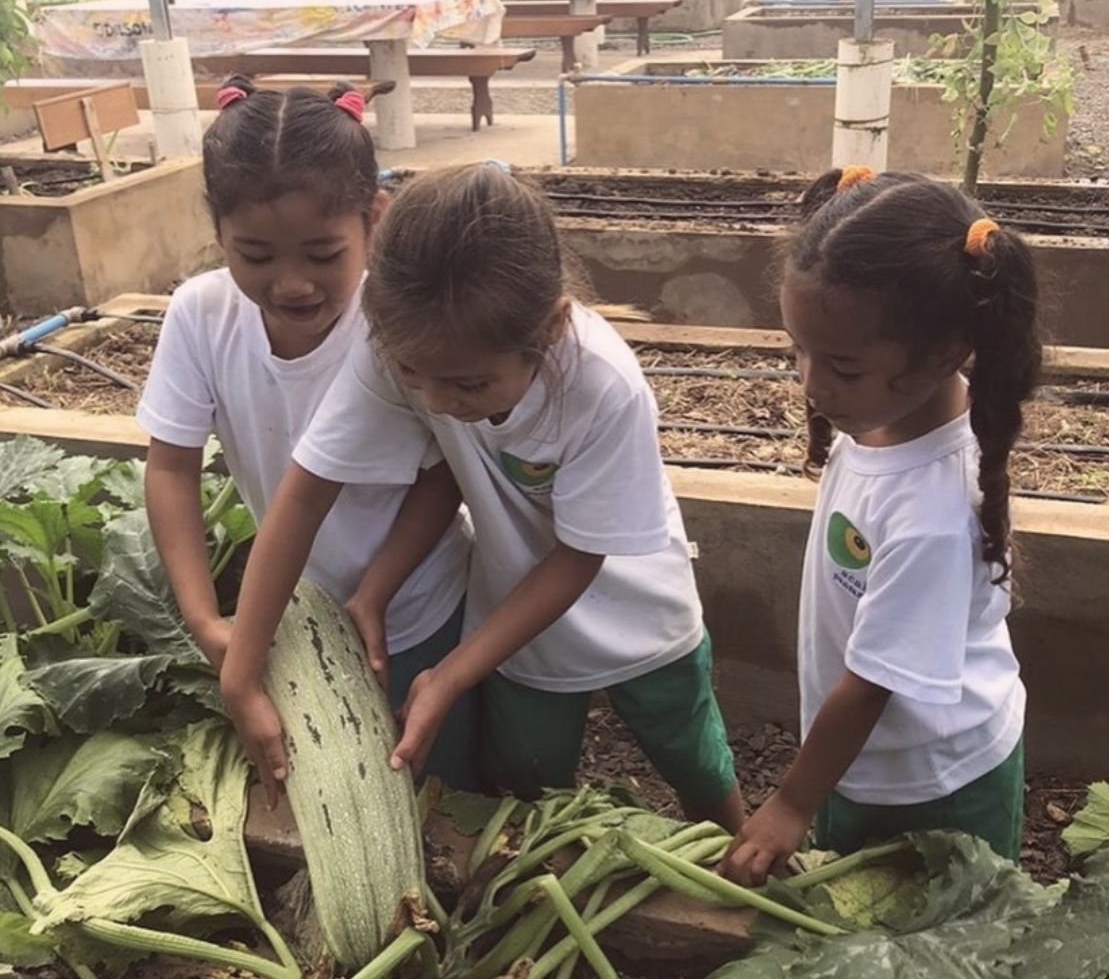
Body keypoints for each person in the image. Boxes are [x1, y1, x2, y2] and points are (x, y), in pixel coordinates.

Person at [220, 164, 746, 830]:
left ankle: (746, 863)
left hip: (640, 612)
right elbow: (304, 493)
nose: (437, 403)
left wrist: (450, 674)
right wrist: (242, 670)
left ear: (550, 331)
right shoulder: (400, 348)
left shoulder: (602, 385)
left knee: (694, 761)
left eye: (468, 386)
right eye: (417, 376)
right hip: (516, 627)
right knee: (527, 789)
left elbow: (580, 557)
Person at [141, 79, 479, 789]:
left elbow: (444, 474)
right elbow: (170, 468)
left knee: (438, 790)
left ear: (374, 220)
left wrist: (378, 593)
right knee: (332, 790)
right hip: (294, 616)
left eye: (323, 255)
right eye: (255, 257)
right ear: (217, 233)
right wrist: (207, 623)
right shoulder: (199, 315)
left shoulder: (396, 324)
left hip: (419, 606)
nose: (292, 284)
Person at [719, 168, 1041, 884]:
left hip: (936, 785)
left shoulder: (932, 511)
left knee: (942, 942)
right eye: (796, 351)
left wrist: (792, 801)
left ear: (942, 356)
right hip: (862, 763)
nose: (809, 382)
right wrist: (815, 790)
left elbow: (870, 683)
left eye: (839, 366)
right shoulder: (875, 421)